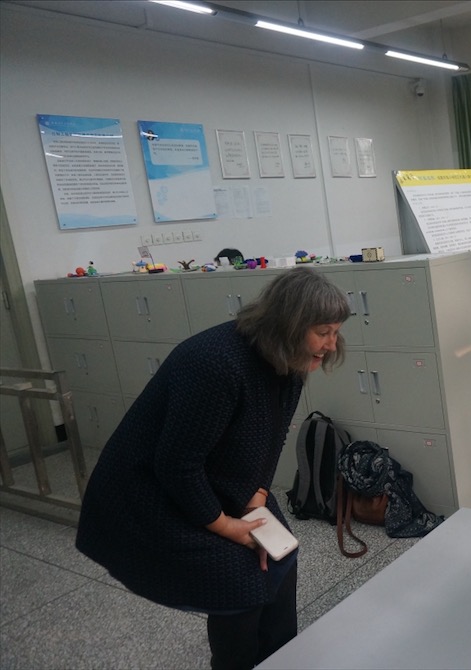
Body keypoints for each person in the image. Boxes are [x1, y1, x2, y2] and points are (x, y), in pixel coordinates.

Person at [75, 267, 351, 670]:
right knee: (237, 583)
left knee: (281, 556)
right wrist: (226, 526)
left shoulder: (289, 361)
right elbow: (177, 465)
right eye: (323, 332)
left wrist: (256, 498)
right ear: (289, 327)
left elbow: (273, 437)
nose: (331, 344)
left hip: (213, 477)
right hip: (148, 493)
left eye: (336, 332)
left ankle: (280, 658)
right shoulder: (216, 364)